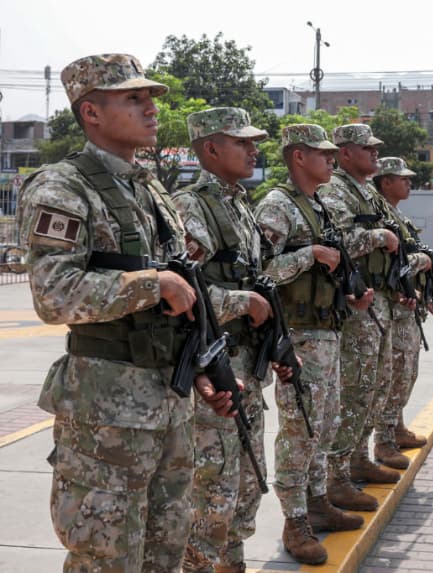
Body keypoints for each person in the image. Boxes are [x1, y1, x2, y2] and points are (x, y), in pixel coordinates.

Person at [15, 53, 238, 572]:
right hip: (106, 416)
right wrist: (150, 283)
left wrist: (203, 369)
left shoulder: (150, 189)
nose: (151, 108)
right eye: (134, 98)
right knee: (106, 556)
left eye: (150, 98)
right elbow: (54, 294)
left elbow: (186, 294)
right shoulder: (63, 188)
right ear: (91, 112)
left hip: (169, 403)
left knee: (165, 549)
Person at [172, 107, 277, 573]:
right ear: (210, 149)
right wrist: (243, 302)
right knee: (213, 491)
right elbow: (180, 293)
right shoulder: (192, 208)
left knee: (248, 485)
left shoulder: (240, 206)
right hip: (216, 368)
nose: (254, 150)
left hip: (248, 364)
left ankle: (230, 564)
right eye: (242, 142)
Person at [254, 124, 364, 565]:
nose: (332, 159)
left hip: (328, 329)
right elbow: (260, 269)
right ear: (298, 156)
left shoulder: (317, 206)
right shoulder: (277, 206)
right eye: (323, 153)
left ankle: (317, 500)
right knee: (299, 429)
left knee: (324, 421)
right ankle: (294, 519)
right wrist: (309, 256)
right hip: (297, 333)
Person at [318, 124, 402, 511]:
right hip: (355, 305)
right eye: (366, 149)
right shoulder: (335, 190)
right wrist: (379, 237)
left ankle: (358, 459)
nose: (374, 154)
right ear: (345, 152)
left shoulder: (365, 191)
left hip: (377, 301)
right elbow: (339, 243)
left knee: (376, 385)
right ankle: (336, 477)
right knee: (355, 390)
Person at [373, 157, 433, 464]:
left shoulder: (396, 216)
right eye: (402, 178)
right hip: (392, 307)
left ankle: (396, 427)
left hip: (406, 307)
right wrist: (422, 262)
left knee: (406, 372)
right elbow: (394, 264)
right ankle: (384, 440)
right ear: (385, 181)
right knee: (396, 374)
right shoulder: (380, 216)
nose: (408, 183)